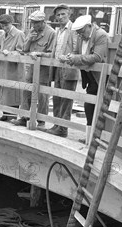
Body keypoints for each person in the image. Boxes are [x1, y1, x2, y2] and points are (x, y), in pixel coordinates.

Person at [64, 14, 108, 145]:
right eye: (78, 33)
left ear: (89, 26)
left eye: (82, 32)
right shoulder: (80, 37)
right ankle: (90, 137)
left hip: (99, 77)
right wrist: (70, 58)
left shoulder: (101, 35)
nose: (80, 35)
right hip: (89, 75)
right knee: (89, 106)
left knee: (93, 106)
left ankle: (95, 138)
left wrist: (76, 58)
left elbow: (97, 57)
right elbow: (78, 53)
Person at [12, 10, 56, 128]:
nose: (33, 25)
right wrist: (29, 39)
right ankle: (24, 116)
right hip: (31, 68)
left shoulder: (51, 33)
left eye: (36, 23)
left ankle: (41, 121)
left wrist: (39, 54)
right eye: (32, 23)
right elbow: (24, 50)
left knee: (42, 95)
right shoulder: (32, 31)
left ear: (42, 22)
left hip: (44, 70)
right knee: (26, 90)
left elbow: (52, 54)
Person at [48, 4, 79, 137]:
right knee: (57, 98)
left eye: (63, 14)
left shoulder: (74, 30)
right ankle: (56, 124)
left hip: (69, 69)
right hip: (58, 69)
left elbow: (77, 51)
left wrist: (66, 58)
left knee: (66, 100)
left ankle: (63, 128)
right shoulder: (58, 31)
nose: (60, 17)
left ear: (69, 14)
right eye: (58, 15)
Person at [0, 14, 25, 121]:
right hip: (3, 67)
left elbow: (22, 52)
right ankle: (5, 114)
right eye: (2, 25)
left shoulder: (19, 34)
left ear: (11, 23)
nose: (4, 27)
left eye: (6, 25)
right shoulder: (2, 35)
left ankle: (12, 115)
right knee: (3, 90)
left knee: (12, 91)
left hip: (13, 69)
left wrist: (10, 53)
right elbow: (1, 48)